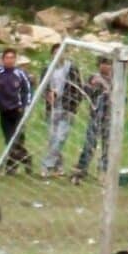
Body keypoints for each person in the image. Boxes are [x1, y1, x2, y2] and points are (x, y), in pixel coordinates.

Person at [41, 44, 84, 178]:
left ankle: (46, 165)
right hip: (52, 108)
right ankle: (58, 167)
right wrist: (48, 95)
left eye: (60, 53)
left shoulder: (71, 68)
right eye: (55, 53)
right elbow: (43, 88)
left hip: (67, 109)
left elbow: (78, 89)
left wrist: (73, 106)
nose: (58, 55)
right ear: (52, 55)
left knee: (60, 138)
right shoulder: (47, 69)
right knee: (52, 138)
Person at [71, 57, 113, 184]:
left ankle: (105, 172)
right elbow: (85, 93)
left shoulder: (116, 79)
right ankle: (81, 169)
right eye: (103, 64)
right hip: (95, 116)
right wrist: (91, 86)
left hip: (109, 117)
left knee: (107, 145)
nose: (105, 66)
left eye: (108, 64)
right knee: (90, 143)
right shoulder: (93, 77)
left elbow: (118, 96)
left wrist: (106, 87)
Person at [0, 48, 34, 175]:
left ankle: (15, 164)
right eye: (7, 58)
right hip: (4, 111)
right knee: (8, 140)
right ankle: (22, 161)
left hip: (17, 111)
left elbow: (27, 90)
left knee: (16, 139)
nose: (9, 60)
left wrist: (25, 106)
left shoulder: (20, 74)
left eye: (12, 58)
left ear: (15, 60)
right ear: (3, 60)